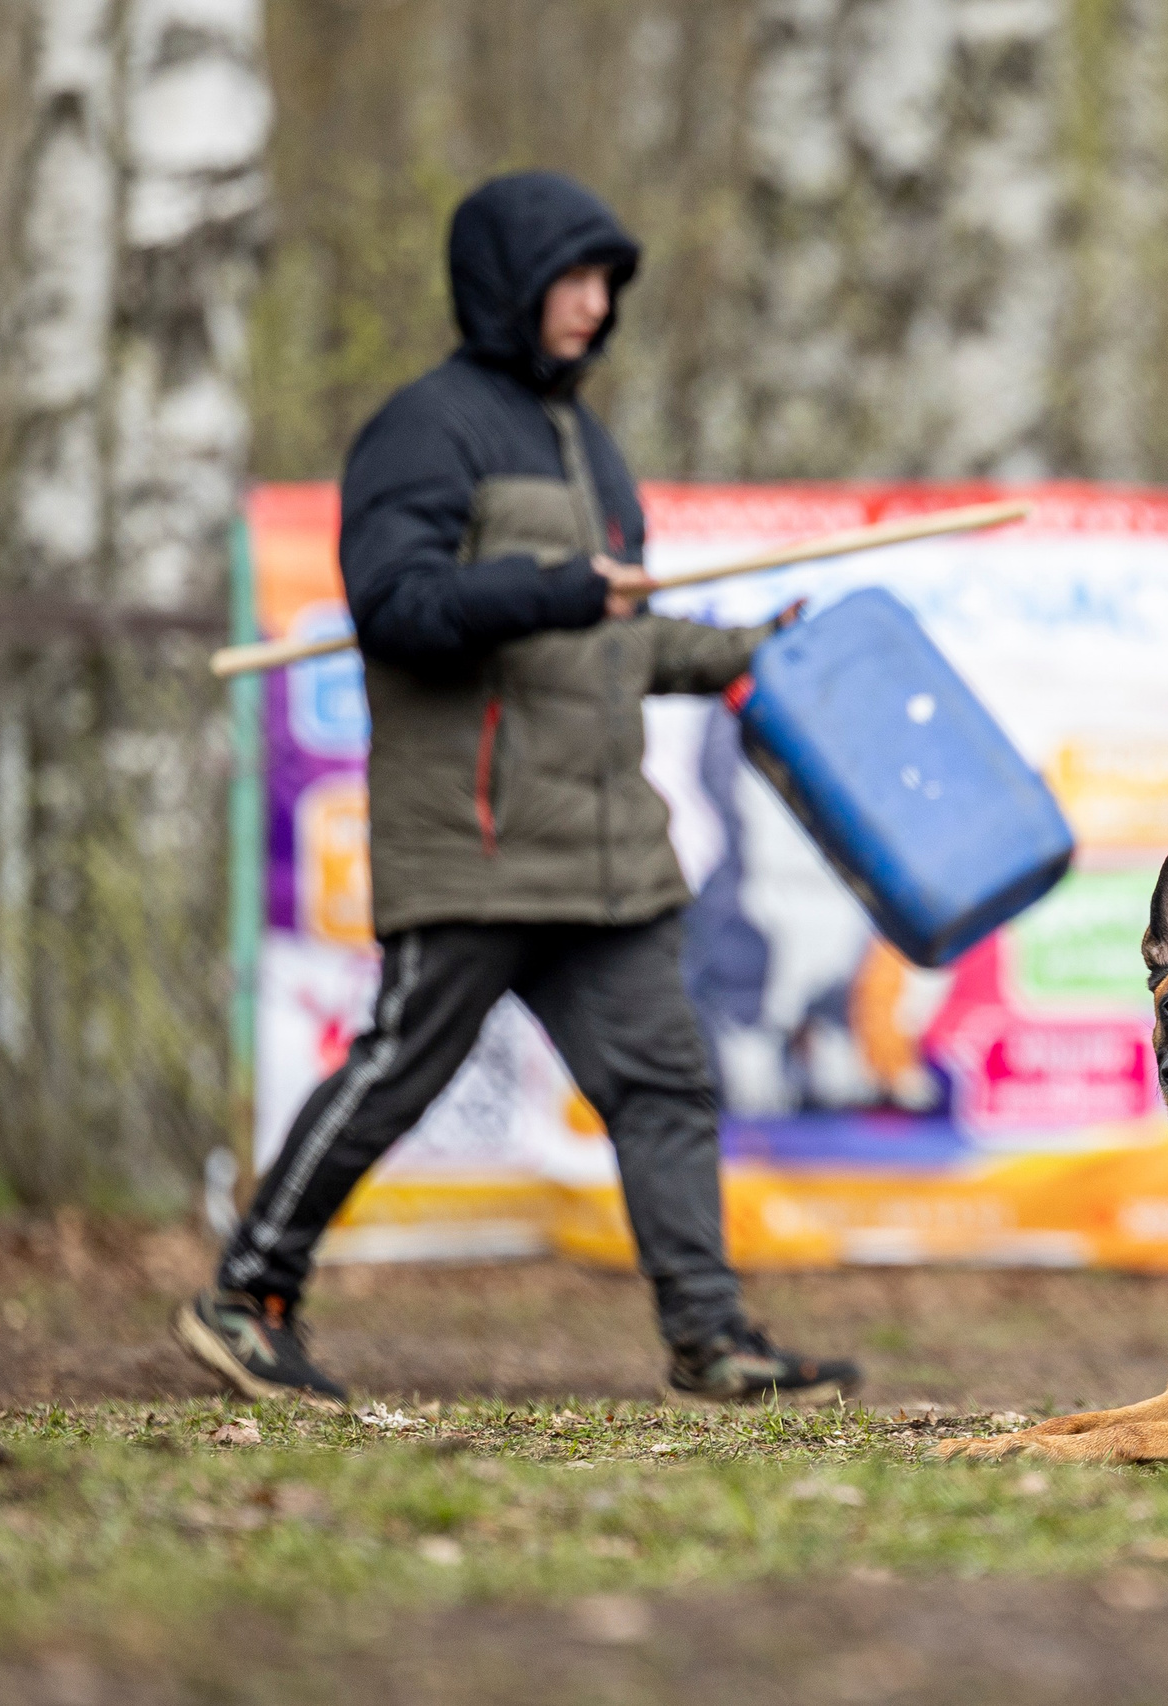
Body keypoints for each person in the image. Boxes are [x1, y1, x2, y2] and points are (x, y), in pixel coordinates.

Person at [174, 172, 859, 1408]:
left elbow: (617, 638)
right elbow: (399, 607)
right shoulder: (423, 429)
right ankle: (247, 1294)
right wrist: (556, 585)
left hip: (606, 850)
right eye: (572, 279)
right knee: (396, 1068)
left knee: (665, 1084)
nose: (595, 304)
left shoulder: (588, 444)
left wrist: (751, 652)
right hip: (479, 839)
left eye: (606, 283)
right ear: (506, 283)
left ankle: (710, 1336)